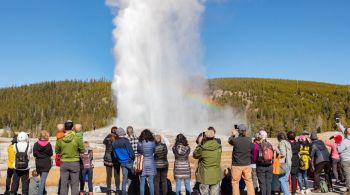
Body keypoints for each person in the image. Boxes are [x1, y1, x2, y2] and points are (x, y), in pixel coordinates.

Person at [55, 120, 85, 195]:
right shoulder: (77, 138)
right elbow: (82, 150)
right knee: (75, 185)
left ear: (65, 128)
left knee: (63, 184)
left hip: (64, 163)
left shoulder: (60, 139)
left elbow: (57, 151)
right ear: (72, 128)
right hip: (75, 162)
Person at [193, 128, 222, 195]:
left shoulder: (203, 148)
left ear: (205, 137)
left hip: (204, 177)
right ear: (214, 136)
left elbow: (195, 155)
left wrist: (200, 144)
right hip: (216, 176)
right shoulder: (219, 147)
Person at [228, 124, 255, 195]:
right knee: (249, 181)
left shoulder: (235, 140)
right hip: (247, 164)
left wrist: (233, 134)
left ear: (238, 131)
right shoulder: (249, 140)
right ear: (245, 131)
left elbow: (230, 141)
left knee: (235, 182)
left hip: (236, 165)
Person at [112, 127, 135, 195]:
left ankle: (124, 192)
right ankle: (131, 192)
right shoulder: (126, 141)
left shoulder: (114, 143)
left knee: (124, 178)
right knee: (132, 177)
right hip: (129, 161)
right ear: (122, 133)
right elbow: (131, 152)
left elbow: (115, 155)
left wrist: (120, 159)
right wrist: (132, 158)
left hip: (121, 162)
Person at [33, 130, 53, 195]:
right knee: (42, 180)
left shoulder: (36, 144)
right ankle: (40, 193)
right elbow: (51, 154)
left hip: (39, 164)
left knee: (42, 179)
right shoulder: (48, 144)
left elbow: (34, 154)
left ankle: (44, 192)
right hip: (46, 164)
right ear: (47, 136)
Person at [137, 129, 157, 195]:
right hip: (151, 163)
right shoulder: (153, 142)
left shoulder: (140, 143)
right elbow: (154, 151)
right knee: (151, 183)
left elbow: (139, 151)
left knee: (142, 183)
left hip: (142, 164)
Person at [103, 126, 120, 194]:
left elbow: (104, 142)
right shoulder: (118, 138)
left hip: (107, 158)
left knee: (109, 175)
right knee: (117, 175)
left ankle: (108, 190)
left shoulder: (107, 137)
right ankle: (118, 190)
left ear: (111, 131)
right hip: (116, 158)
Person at [256, 130, 274, 195]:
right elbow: (273, 156)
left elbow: (259, 157)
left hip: (261, 167)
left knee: (262, 183)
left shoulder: (260, 145)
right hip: (269, 166)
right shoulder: (270, 145)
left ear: (260, 136)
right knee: (269, 183)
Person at [337, 124, 350, 195]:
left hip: (346, 160)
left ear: (345, 133)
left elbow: (339, 150)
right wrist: (339, 125)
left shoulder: (344, 141)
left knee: (348, 175)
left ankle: (349, 190)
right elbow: (345, 131)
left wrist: (338, 144)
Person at [55, 124, 65, 195]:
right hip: (66, 157)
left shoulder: (58, 135)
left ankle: (59, 191)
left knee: (62, 175)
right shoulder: (65, 135)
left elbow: (57, 150)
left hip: (61, 158)